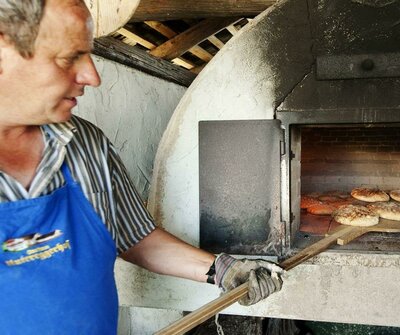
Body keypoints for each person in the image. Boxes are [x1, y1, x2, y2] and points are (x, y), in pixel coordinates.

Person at [0, 0, 283, 333]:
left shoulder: (86, 145)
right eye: (69, 57)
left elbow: (137, 238)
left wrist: (223, 269)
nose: (92, 76)